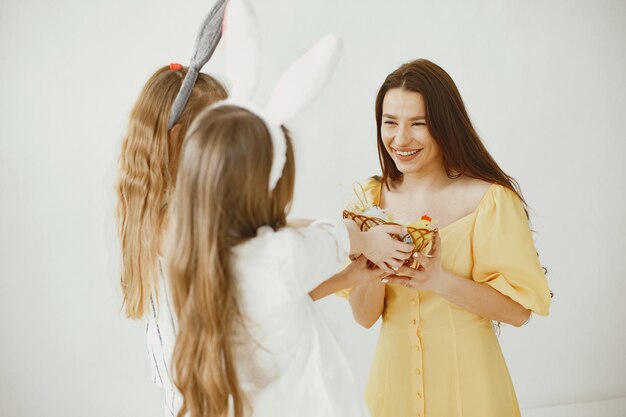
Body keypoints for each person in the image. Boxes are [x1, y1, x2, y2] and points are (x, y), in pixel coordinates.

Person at [165, 104, 411, 417]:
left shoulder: (193, 255)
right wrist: (370, 240)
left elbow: (283, 300)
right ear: (269, 187)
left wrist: (351, 277)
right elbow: (337, 236)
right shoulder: (284, 255)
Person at [346, 59, 552, 417]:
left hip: (472, 393)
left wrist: (438, 280)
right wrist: (373, 261)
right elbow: (365, 317)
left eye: (418, 124)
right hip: (391, 393)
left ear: (445, 125)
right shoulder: (368, 202)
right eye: (390, 122)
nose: (400, 139)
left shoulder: (489, 200)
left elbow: (518, 312)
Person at [115, 64, 227, 416]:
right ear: (179, 138)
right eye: (219, 131)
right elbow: (262, 286)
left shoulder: (158, 210)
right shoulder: (178, 223)